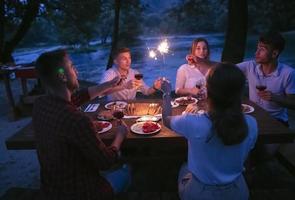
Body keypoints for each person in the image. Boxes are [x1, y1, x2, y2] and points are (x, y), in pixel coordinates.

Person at [33, 49, 131, 200]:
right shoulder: (76, 119)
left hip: (51, 190)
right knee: (127, 171)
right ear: (62, 76)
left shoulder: (40, 105)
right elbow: (106, 161)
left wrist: (110, 84)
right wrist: (120, 135)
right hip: (84, 193)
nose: (77, 71)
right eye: (72, 67)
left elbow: (79, 97)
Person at [161, 63, 258, 200]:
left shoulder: (193, 122)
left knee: (184, 167)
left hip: (200, 194)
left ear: (209, 91)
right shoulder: (251, 124)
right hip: (238, 191)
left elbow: (166, 119)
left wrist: (166, 93)